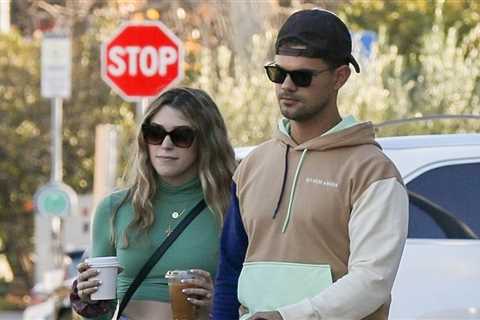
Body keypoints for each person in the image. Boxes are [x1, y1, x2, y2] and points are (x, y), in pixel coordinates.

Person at [212, 8, 409, 320]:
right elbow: (230, 270)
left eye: (302, 76)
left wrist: (287, 316)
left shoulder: (373, 171)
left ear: (339, 77)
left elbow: (373, 281)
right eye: (278, 73)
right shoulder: (252, 165)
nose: (286, 85)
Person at [70, 87, 236, 320]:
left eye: (181, 136)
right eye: (155, 133)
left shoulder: (232, 207)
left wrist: (215, 304)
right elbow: (101, 314)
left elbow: (252, 299)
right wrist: (89, 298)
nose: (166, 144)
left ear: (206, 142)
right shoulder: (114, 208)